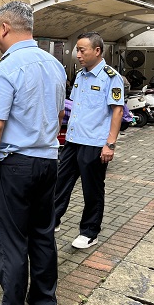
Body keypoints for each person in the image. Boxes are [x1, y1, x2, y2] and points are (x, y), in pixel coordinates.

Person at [0, 1, 67, 305]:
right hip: (49, 161)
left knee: (12, 240)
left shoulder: (5, 68)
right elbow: (59, 116)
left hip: (15, 165)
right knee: (42, 233)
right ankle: (45, 303)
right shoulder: (55, 66)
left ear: (3, 28)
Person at [54, 32, 124, 249]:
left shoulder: (111, 77)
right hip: (73, 140)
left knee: (92, 190)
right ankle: (52, 220)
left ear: (97, 51)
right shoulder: (80, 76)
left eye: (82, 50)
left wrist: (110, 144)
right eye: (77, 50)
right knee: (60, 183)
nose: (78, 55)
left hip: (94, 143)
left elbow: (118, 111)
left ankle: (89, 232)